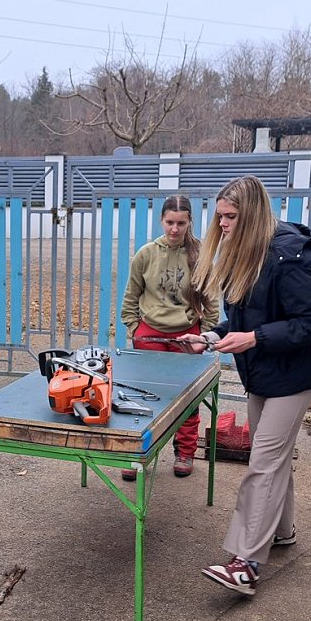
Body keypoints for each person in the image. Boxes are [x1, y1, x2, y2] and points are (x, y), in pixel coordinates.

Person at [184, 175, 311, 597]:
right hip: (262, 373)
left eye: (231, 217)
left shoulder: (289, 257)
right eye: (220, 217)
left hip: (293, 377)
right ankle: (281, 533)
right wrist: (212, 336)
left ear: (252, 215)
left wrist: (255, 340)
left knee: (263, 463)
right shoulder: (244, 252)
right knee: (274, 459)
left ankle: (246, 562)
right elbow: (248, 320)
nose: (223, 225)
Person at [120, 195, 220, 479]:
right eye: (169, 222)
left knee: (186, 398)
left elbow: (212, 301)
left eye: (181, 223)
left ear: (189, 222)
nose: (174, 229)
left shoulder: (201, 255)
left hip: (187, 336)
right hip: (149, 335)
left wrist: (203, 335)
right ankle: (139, 454)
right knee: (142, 397)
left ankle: (185, 453)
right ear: (161, 220)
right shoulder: (146, 254)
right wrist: (134, 328)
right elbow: (131, 296)